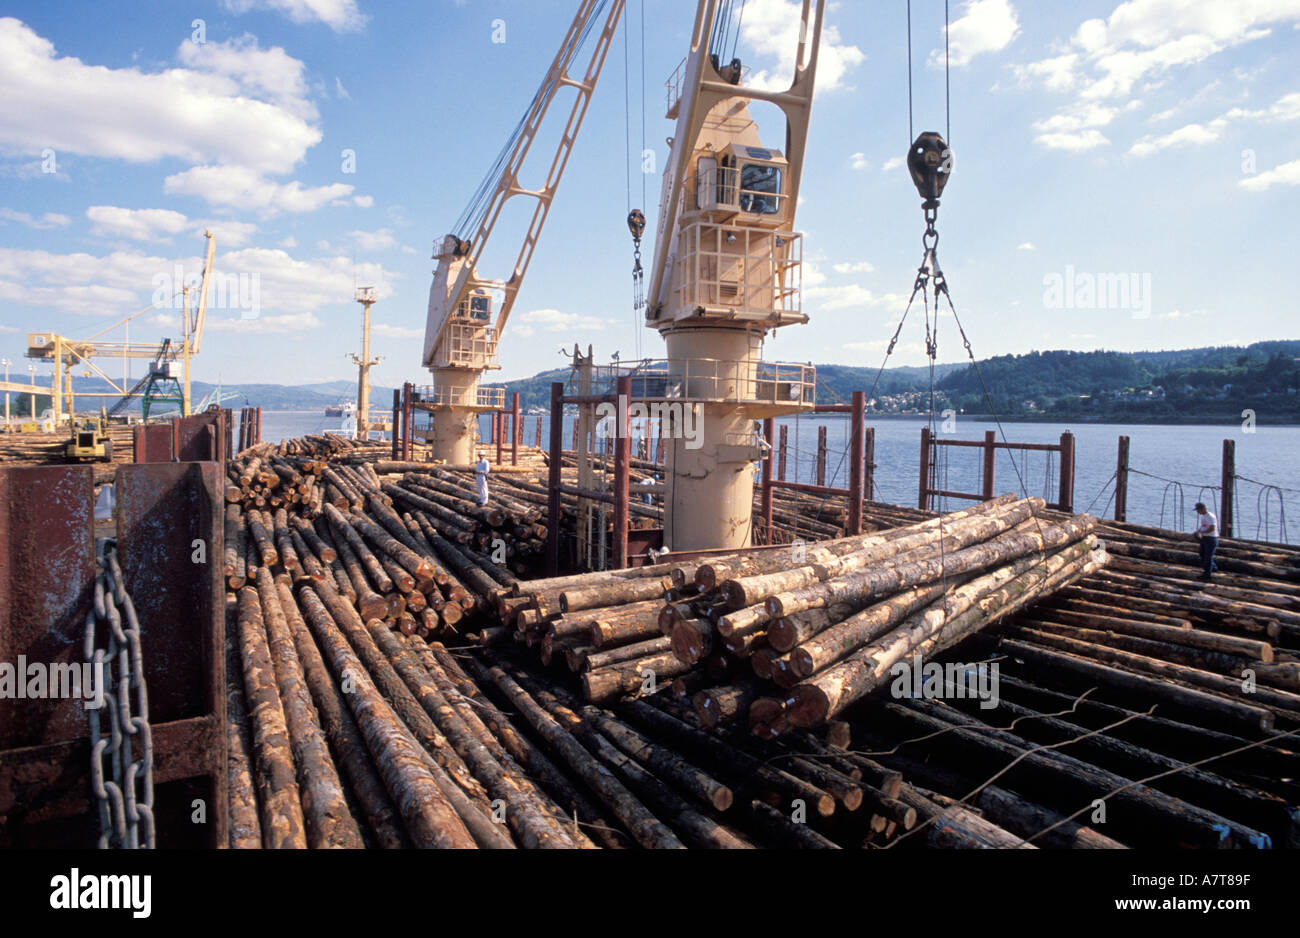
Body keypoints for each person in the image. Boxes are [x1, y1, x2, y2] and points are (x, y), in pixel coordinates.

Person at [1194, 502, 1218, 580]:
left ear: (1202, 509)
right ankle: (1213, 567)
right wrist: (1198, 531)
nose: (1197, 512)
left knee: (1208, 556)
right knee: (1202, 554)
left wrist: (1202, 532)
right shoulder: (1204, 516)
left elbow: (1212, 528)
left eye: (1198, 510)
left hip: (1211, 539)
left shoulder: (1210, 517)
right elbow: (1204, 526)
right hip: (1205, 538)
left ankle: (1207, 574)